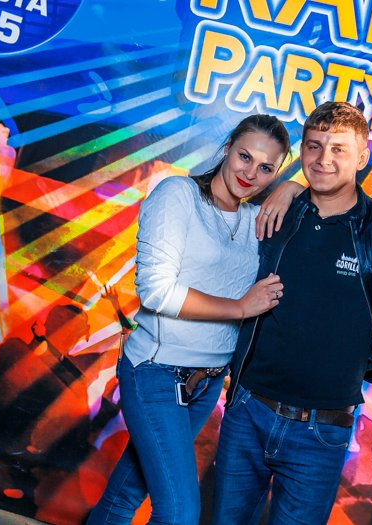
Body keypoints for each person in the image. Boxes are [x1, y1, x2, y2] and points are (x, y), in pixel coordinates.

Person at [212, 101, 372, 525]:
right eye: (314, 146)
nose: (323, 159)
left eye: (338, 149)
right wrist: (289, 187)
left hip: (321, 429)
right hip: (247, 410)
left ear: (362, 157)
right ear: (301, 152)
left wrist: (351, 359)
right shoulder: (276, 211)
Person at [88, 114, 298, 525]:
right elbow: (156, 292)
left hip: (206, 383)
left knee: (125, 493)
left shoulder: (254, 220)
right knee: (179, 513)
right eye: (244, 156)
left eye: (266, 168)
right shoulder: (179, 194)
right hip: (157, 372)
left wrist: (293, 188)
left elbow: (330, 202)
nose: (250, 173)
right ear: (227, 147)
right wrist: (240, 307)